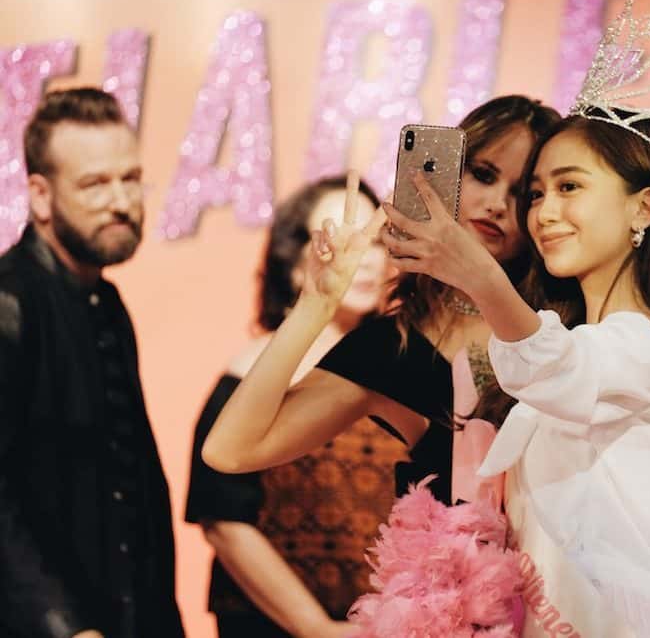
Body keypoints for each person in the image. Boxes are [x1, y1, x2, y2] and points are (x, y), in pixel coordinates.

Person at [376, 2, 650, 636]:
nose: (543, 212)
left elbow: (559, 367)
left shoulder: (649, 343)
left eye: (570, 187)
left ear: (643, 209)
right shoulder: (579, 342)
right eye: (536, 194)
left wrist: (478, 275)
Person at [202, 95, 560, 508]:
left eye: (523, 192)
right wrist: (316, 305)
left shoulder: (570, 323)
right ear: (446, 175)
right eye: (483, 174)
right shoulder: (393, 347)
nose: (497, 204)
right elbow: (230, 451)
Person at [0, 88, 183, 638]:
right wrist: (63, 626)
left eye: (131, 178)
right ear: (40, 195)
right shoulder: (10, 304)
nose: (122, 201)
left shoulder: (107, 302)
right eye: (95, 184)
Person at [185, 174, 401, 637]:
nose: (364, 257)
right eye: (342, 238)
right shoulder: (250, 378)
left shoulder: (399, 367)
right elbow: (224, 520)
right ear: (294, 263)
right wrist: (315, 627)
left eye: (374, 241)